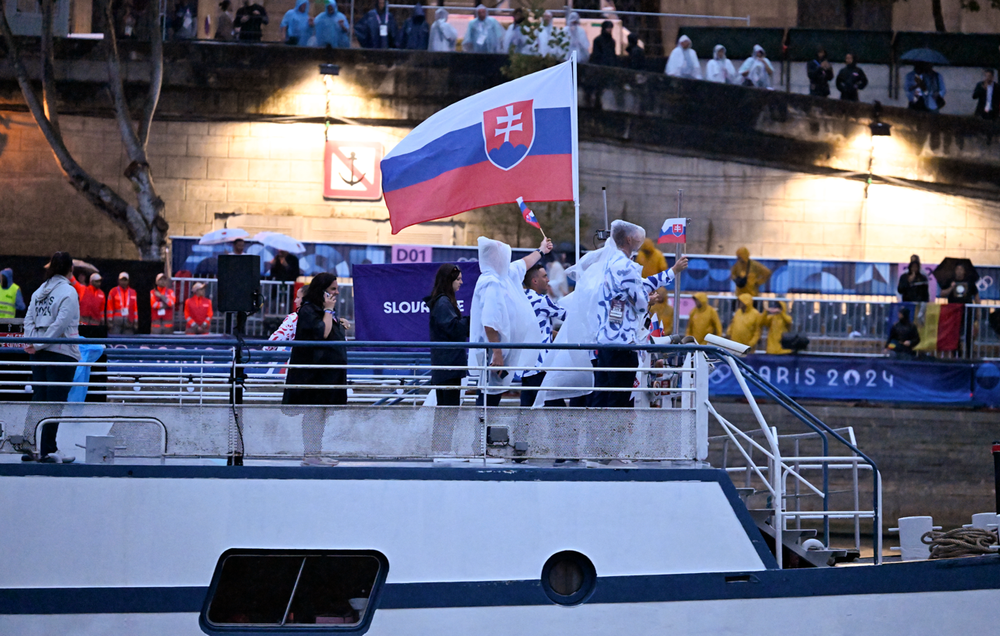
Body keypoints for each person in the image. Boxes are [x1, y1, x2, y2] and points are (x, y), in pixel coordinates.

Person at [592, 221, 688, 408]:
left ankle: (599, 435)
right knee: (619, 398)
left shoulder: (612, 262)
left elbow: (641, 284)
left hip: (606, 341)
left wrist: (673, 271)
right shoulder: (626, 266)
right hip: (622, 343)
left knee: (603, 395)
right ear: (628, 239)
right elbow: (640, 302)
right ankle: (614, 436)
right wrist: (649, 300)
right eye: (637, 236)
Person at [469, 236, 550, 406]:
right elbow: (489, 322)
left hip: (501, 350)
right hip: (492, 351)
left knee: (493, 395)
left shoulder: (505, 275)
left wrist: (541, 250)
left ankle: (485, 431)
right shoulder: (491, 282)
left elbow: (524, 263)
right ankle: (483, 431)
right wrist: (497, 353)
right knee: (488, 396)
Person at [22, 252, 79, 463]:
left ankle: (29, 447)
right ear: (70, 269)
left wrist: (33, 342)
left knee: (39, 399)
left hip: (38, 353)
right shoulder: (69, 292)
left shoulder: (39, 292)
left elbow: (28, 318)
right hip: (62, 354)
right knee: (54, 402)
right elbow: (60, 325)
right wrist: (38, 343)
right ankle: (47, 449)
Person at [283, 273, 349, 406]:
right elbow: (323, 333)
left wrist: (339, 321)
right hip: (315, 376)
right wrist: (329, 311)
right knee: (313, 417)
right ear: (322, 290)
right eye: (332, 289)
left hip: (331, 374)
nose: (337, 292)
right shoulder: (309, 310)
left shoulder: (325, 308)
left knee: (328, 418)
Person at [521, 263, 567, 407]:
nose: (548, 280)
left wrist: (553, 333)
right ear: (535, 281)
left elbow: (535, 327)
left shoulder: (522, 298)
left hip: (526, 367)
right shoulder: (542, 300)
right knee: (559, 414)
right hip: (541, 366)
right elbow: (568, 316)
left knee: (526, 416)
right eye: (545, 276)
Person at [424, 264, 470, 406]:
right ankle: (443, 430)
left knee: (445, 411)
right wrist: (471, 320)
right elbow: (454, 328)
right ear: (449, 281)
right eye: (458, 279)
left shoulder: (440, 301)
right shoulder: (443, 303)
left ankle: (442, 429)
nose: (461, 282)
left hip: (445, 366)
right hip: (449, 366)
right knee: (449, 411)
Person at [265, 286, 307, 351]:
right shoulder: (326, 316)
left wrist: (263, 352)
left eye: (298, 297)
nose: (295, 301)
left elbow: (277, 337)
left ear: (306, 300)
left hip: (296, 358)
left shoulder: (293, 318)